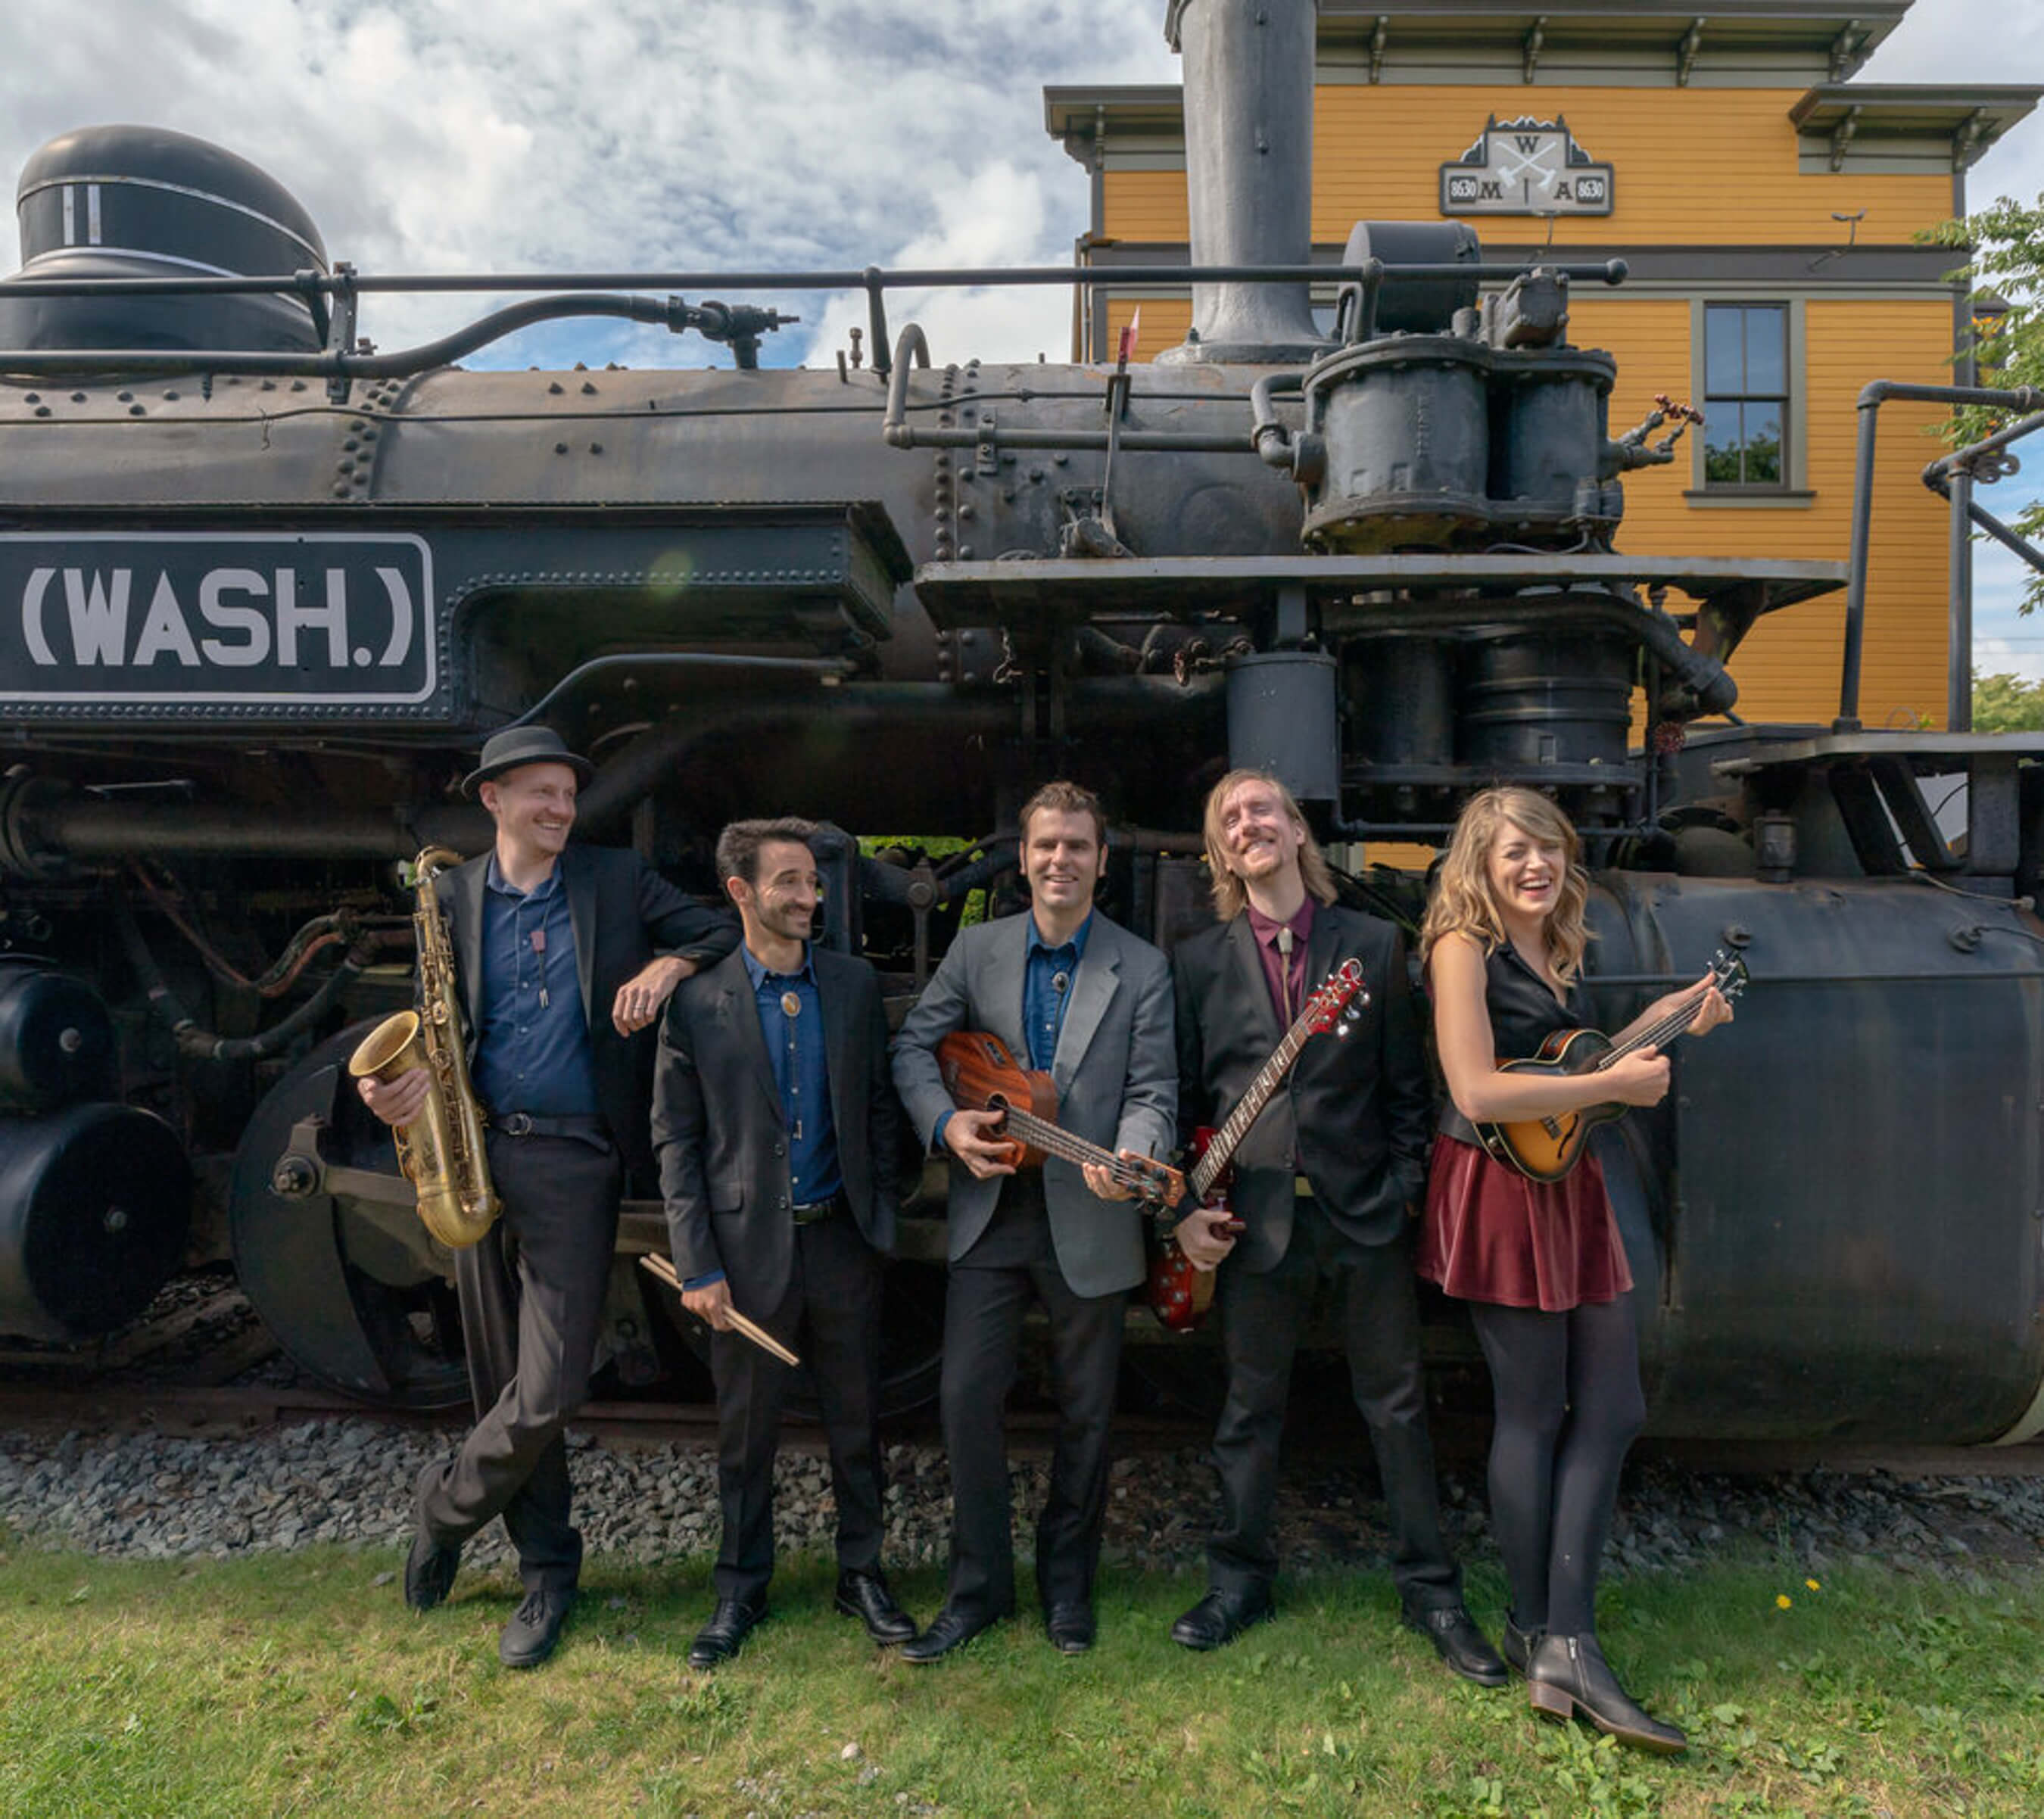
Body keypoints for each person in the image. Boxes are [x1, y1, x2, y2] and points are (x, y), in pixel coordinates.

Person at [359, 724, 737, 1669]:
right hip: (472, 1148)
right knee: (502, 1378)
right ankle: (547, 1574)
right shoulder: (450, 895)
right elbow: (432, 1018)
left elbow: (718, 929)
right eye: (542, 793)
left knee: (551, 1386)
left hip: (573, 1157)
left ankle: (444, 1509)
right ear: (493, 798)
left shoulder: (615, 879)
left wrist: (666, 966)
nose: (561, 809)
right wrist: (386, 1088)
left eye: (568, 795)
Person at [1165, 768, 1504, 1684]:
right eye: (1230, 818)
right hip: (1254, 1226)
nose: (1248, 825)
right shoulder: (1197, 962)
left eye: (1262, 810)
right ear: (1221, 851)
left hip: (1363, 1219)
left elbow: (1408, 1088)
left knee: (1397, 1409)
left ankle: (1432, 1592)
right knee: (1248, 1410)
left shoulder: (1374, 944)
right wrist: (1189, 1209)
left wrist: (1402, 1192)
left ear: (1296, 830)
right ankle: (1238, 1582)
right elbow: (1188, 1100)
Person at [1418, 785, 1731, 1752]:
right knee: (1533, 1412)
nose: (1535, 866)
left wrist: (1668, 1021)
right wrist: (1617, 1083)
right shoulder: (1460, 947)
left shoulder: (1557, 948)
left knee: (1615, 1406)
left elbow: (1566, 1070)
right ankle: (1559, 1639)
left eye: (1548, 849)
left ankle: (1549, 1633)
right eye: (1515, 851)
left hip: (1564, 1181)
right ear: (1480, 861)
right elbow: (1478, 1090)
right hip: (1498, 1187)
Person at [890, 780, 1175, 1660]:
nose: (1061, 860)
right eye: (1046, 845)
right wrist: (945, 1124)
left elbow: (1153, 1092)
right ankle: (977, 1590)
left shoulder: (1143, 967)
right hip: (992, 1210)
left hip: (1092, 1217)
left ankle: (1067, 1589)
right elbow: (913, 1047)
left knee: (1087, 1414)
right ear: (1022, 858)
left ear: (1101, 860)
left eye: (1077, 846)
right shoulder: (977, 950)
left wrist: (1131, 1155)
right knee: (966, 1400)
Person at [650, 817, 914, 1668]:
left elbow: (879, 1106)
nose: (809, 897)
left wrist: (880, 1215)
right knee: (746, 1431)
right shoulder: (699, 1001)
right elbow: (676, 1141)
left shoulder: (853, 984)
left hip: (841, 1240)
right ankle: (740, 1588)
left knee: (857, 1419)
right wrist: (697, 1261)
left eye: (813, 881)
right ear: (741, 892)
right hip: (743, 1252)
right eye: (789, 882)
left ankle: (861, 1574)